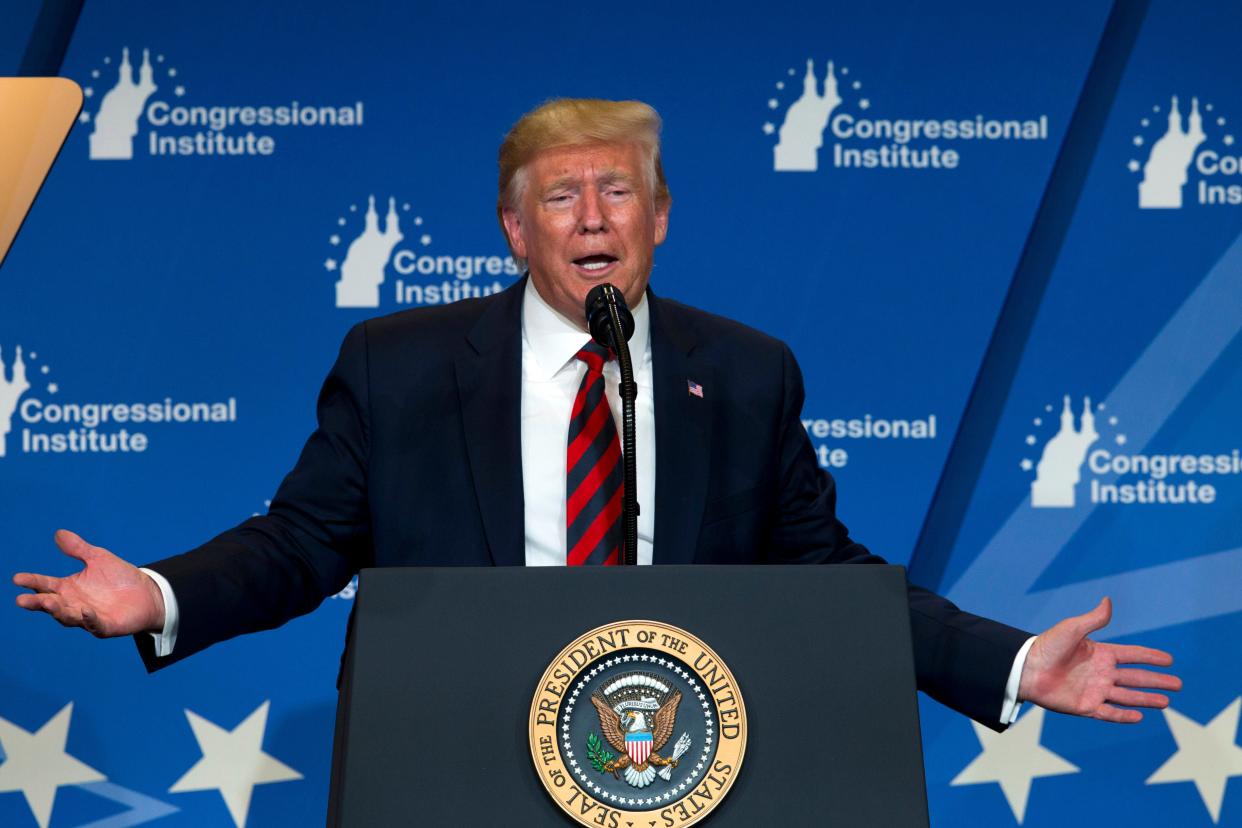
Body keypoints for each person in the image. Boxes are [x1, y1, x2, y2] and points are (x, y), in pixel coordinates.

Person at [13, 99, 1179, 731]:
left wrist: (1013, 663)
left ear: (658, 216)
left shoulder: (746, 371)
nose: (590, 215)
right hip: (455, 743)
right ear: (515, 233)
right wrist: (158, 593)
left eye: (616, 189)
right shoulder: (402, 363)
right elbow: (307, 541)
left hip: (679, 754)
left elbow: (822, 571)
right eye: (558, 195)